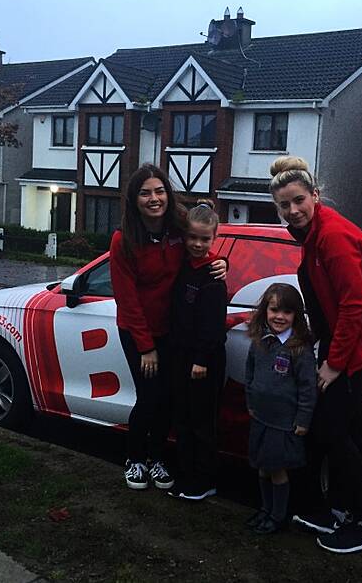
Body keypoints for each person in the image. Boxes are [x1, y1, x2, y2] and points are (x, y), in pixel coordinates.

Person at [269, 156, 362, 553]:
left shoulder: (332, 237)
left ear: (315, 195)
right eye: (284, 206)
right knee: (341, 430)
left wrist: (335, 363)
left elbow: (354, 305)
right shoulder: (312, 235)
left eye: (298, 201)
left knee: (330, 430)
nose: (292, 211)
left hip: (360, 348)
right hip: (346, 344)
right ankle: (339, 511)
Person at [110, 164, 227, 491]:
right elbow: (127, 300)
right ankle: (135, 458)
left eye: (159, 191)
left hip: (174, 332)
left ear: (168, 194)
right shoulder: (124, 240)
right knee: (149, 397)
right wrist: (146, 348)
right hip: (138, 332)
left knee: (168, 398)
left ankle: (157, 458)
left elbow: (200, 244)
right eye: (145, 192)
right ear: (134, 199)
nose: (153, 198)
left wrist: (221, 261)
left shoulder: (178, 228)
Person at [244, 283, 317, 534]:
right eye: (274, 309)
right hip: (261, 418)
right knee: (262, 467)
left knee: (277, 470)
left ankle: (278, 516)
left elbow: (308, 388)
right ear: (265, 310)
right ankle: (265, 509)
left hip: (283, 423)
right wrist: (250, 402)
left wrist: (303, 420)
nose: (279, 317)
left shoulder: (299, 349)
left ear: (296, 315)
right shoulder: (261, 341)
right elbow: (250, 372)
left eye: (287, 312)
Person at [167, 200, 227, 501]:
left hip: (203, 361)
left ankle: (204, 480)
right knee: (183, 419)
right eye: (192, 237)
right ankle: (186, 475)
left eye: (205, 239)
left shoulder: (213, 275)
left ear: (214, 239)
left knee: (202, 423)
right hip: (180, 355)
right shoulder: (181, 265)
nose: (198, 244)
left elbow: (214, 324)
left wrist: (202, 359)